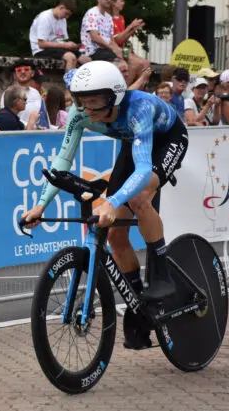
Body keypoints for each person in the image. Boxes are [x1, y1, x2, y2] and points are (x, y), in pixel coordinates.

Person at [22, 61, 191, 349]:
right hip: (133, 141)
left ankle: (162, 274)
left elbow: (142, 170)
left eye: (95, 101)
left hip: (167, 139)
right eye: (81, 101)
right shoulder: (79, 114)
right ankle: (138, 307)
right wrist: (41, 205)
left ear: (114, 96)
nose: (87, 108)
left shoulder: (138, 107)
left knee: (139, 198)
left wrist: (111, 202)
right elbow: (63, 160)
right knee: (114, 234)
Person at [30, 0, 82, 72]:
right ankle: (69, 80)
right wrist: (64, 45)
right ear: (61, 7)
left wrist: (70, 45)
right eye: (66, 13)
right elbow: (41, 44)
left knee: (85, 58)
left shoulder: (62, 19)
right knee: (71, 57)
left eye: (69, 15)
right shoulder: (45, 17)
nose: (67, 17)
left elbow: (61, 40)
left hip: (56, 49)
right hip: (41, 51)